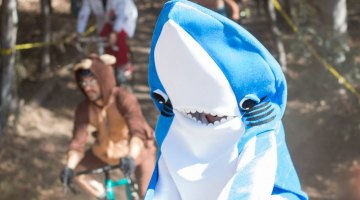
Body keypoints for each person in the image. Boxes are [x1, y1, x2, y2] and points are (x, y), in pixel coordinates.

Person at [144, 0, 308, 199]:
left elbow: (258, 182)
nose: (205, 118)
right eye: (195, 114)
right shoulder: (177, 126)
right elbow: (165, 184)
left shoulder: (256, 128)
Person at [59, 54, 156, 199]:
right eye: (84, 83)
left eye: (92, 82)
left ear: (103, 79)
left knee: (148, 195)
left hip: (138, 151)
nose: (88, 88)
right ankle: (103, 195)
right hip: (106, 152)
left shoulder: (123, 97)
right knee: (78, 173)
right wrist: (69, 167)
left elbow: (137, 132)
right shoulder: (85, 108)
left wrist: (131, 156)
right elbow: (77, 143)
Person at [76, 0, 138, 84]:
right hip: (105, 19)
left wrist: (115, 32)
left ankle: (124, 66)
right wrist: (79, 32)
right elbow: (84, 13)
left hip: (125, 17)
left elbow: (122, 15)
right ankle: (109, 67)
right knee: (104, 40)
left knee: (119, 38)